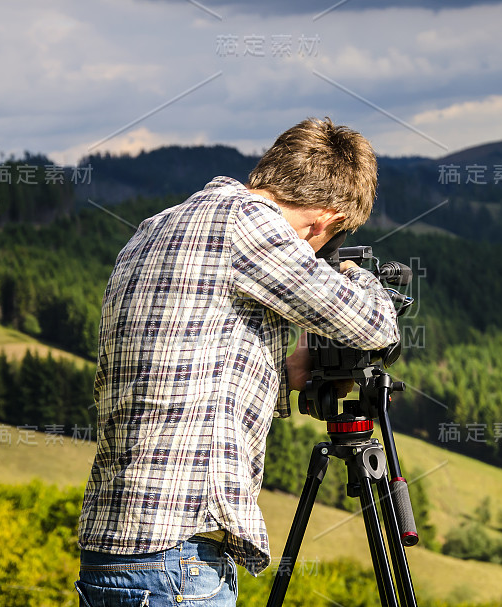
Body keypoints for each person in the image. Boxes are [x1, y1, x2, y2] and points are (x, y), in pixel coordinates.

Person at [75, 117, 400, 606]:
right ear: (328, 220)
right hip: (176, 560)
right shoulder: (249, 223)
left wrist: (285, 369)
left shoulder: (154, 228)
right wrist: (358, 275)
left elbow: (184, 360)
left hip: (111, 551)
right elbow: (374, 323)